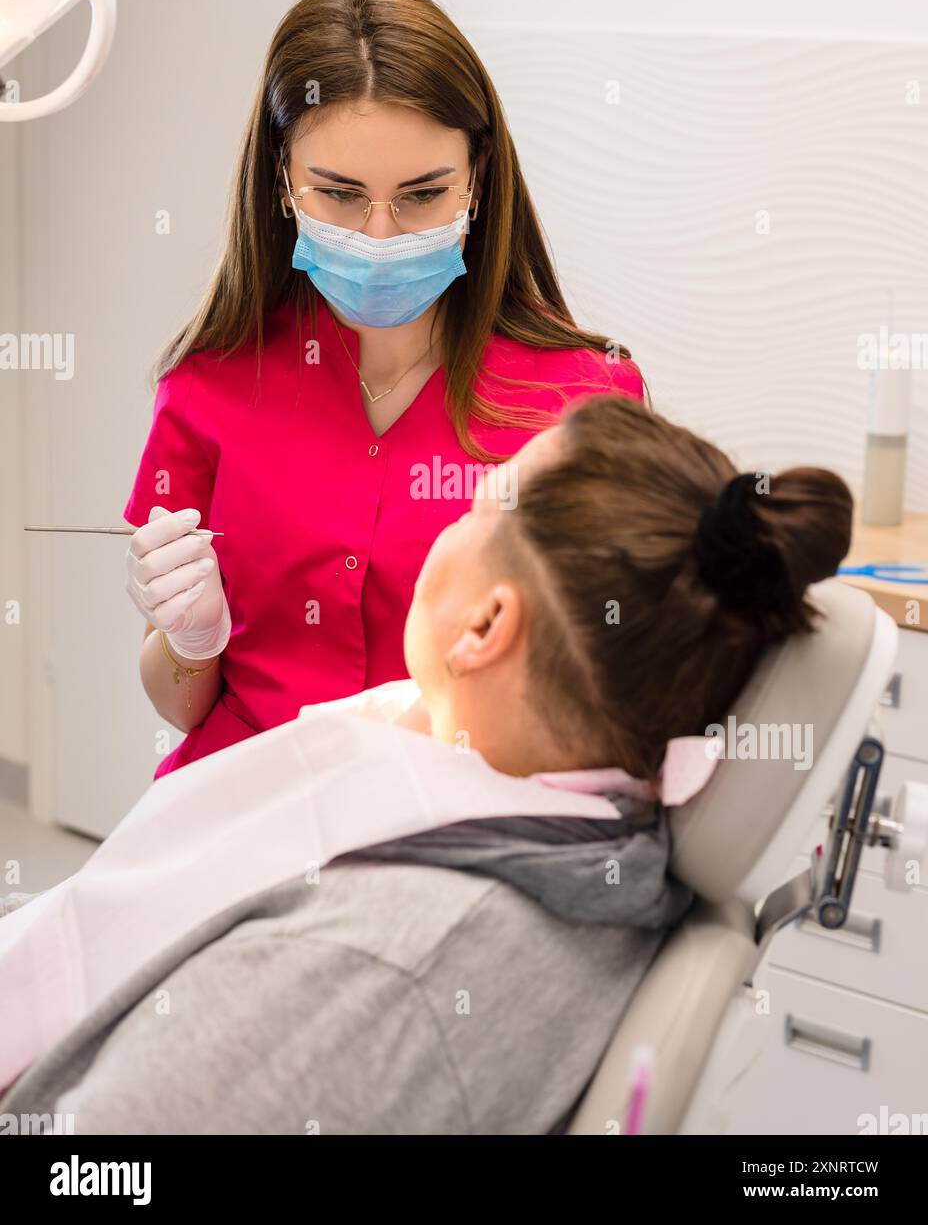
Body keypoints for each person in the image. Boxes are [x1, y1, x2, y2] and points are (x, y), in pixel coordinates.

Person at [2, 396, 852, 1133]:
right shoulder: (570, 822)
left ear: (486, 628)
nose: (449, 523)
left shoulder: (377, 967)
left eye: (477, 506)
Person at [122, 0, 644, 780]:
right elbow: (181, 705)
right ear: (282, 180)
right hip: (246, 808)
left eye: (422, 195)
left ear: (478, 177)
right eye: (338, 194)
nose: (379, 233)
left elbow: (616, 696)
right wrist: (193, 642)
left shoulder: (581, 401)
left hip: (462, 828)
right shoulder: (210, 383)